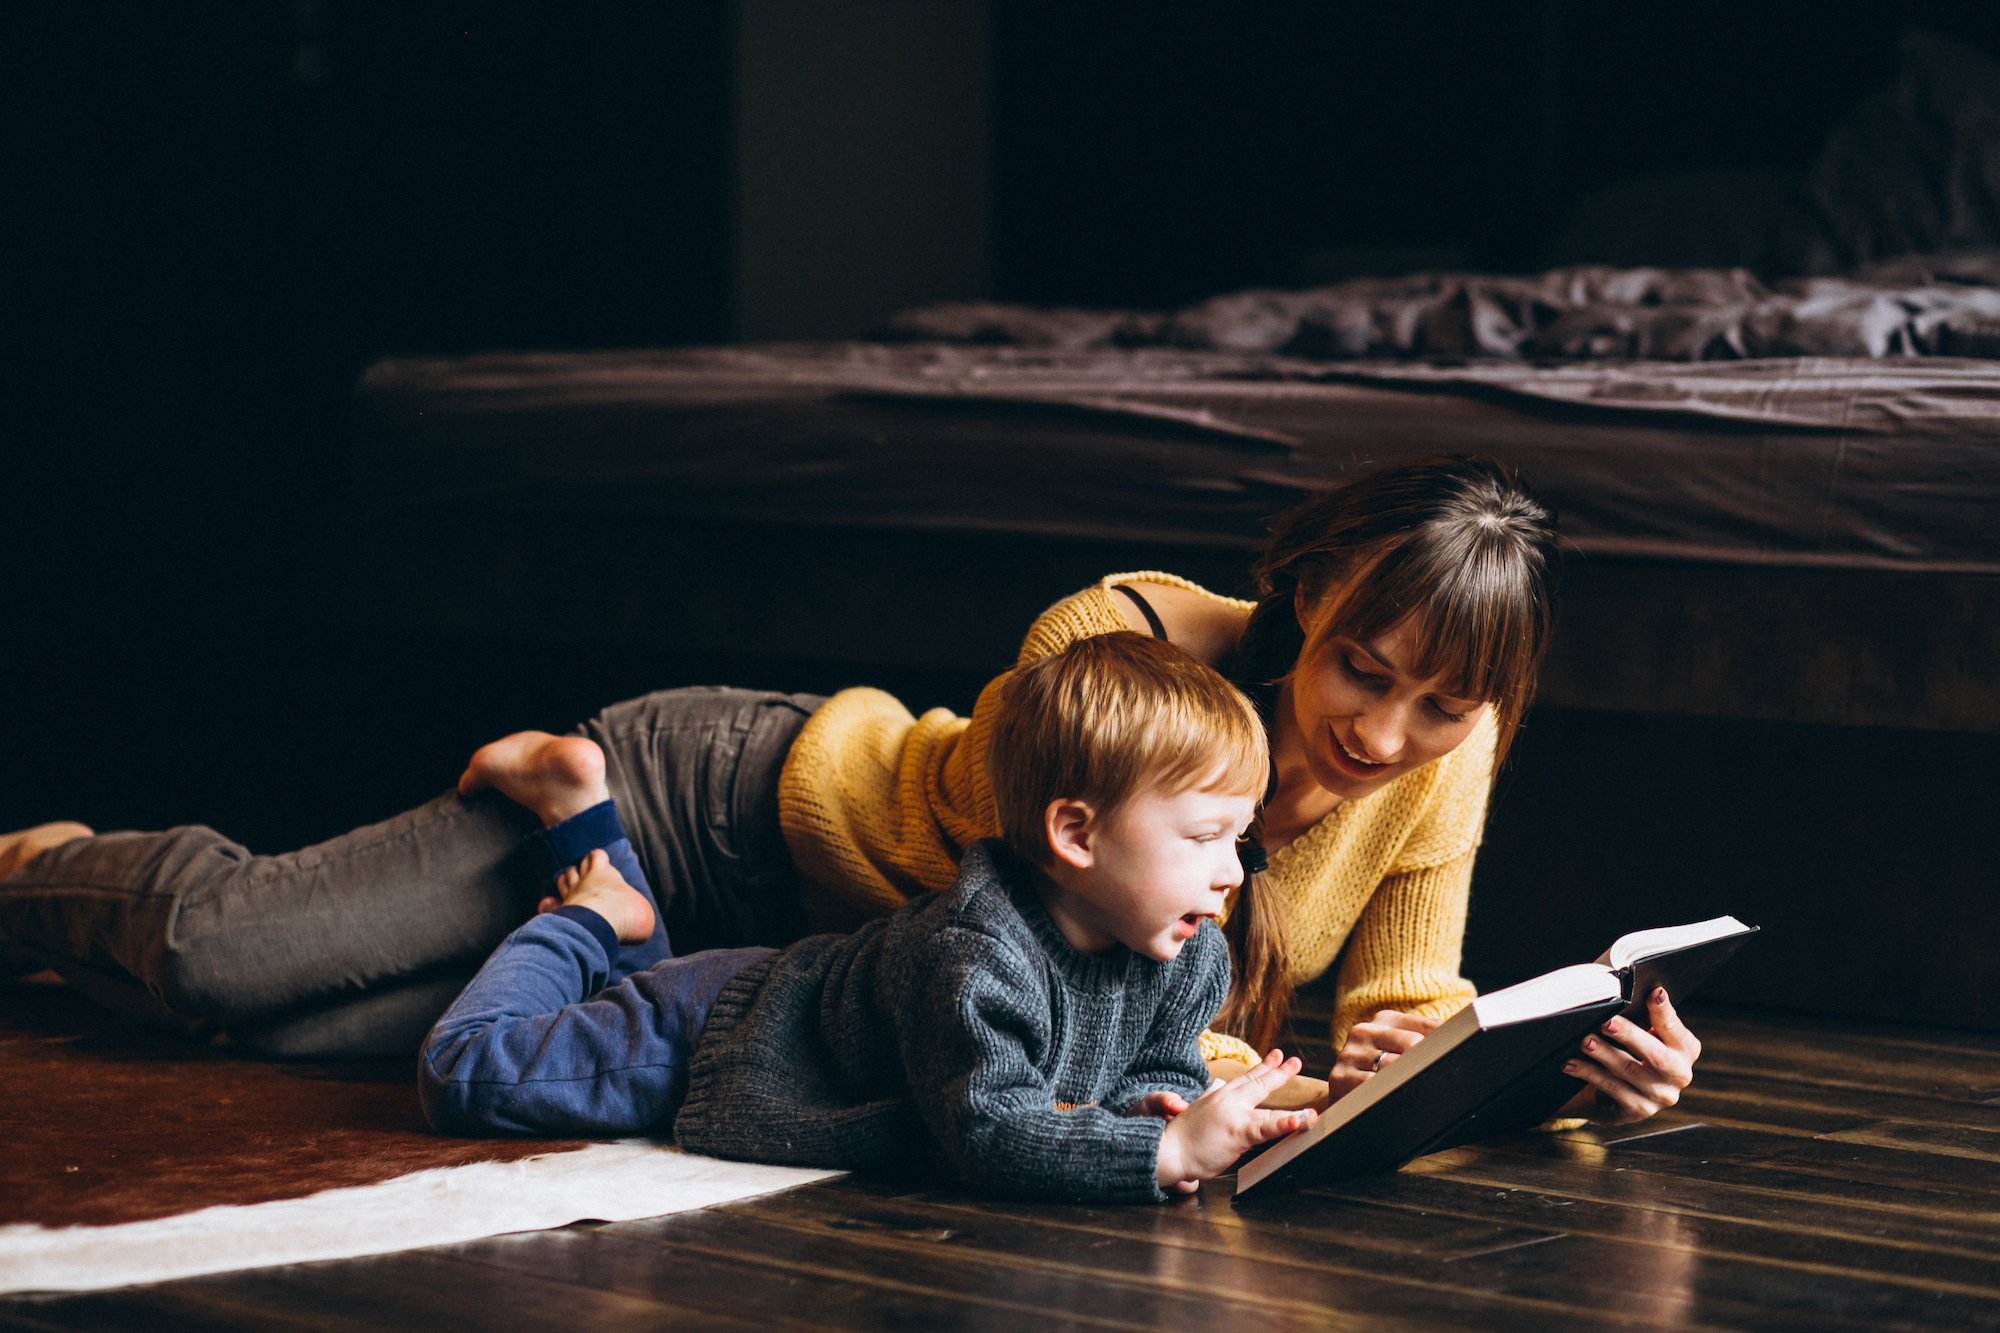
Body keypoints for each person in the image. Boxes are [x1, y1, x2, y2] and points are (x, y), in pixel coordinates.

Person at [0, 455, 1698, 1123]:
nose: (1388, 734)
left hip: (764, 989)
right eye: (1363, 671)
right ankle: (56, 868)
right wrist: (1239, 1077)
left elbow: (1411, 1003)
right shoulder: (1109, 651)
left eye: (1444, 704)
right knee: (232, 956)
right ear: (1309, 591)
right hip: (714, 813)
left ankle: (89, 943)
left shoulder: (1442, 753)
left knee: (291, 1044)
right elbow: (1046, 958)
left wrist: (1562, 1066)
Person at [421, 634, 1316, 1201]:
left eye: (1239, 839)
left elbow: (1139, 1077)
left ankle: (586, 823)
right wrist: (1160, 1153)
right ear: (1076, 834)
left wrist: (1182, 1105)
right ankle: (586, 915)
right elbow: (992, 1130)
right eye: (1205, 837)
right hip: (724, 1033)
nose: (1232, 873)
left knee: (614, 990)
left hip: (784, 991)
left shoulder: (1185, 951)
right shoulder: (973, 955)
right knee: (463, 1074)